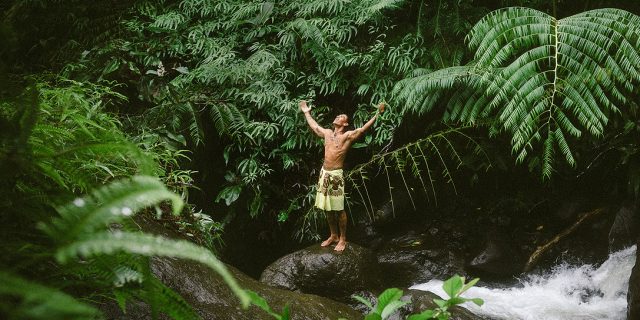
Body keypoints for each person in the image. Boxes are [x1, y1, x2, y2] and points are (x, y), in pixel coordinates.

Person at [299, 100, 385, 251]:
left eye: (341, 116)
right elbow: (314, 126)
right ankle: (333, 235)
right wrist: (306, 112)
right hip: (324, 173)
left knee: (339, 209)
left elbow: (363, 129)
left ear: (345, 124)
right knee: (327, 208)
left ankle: (343, 238)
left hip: (336, 175)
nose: (338, 116)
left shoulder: (347, 136)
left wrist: (378, 113)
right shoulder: (326, 133)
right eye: (338, 115)